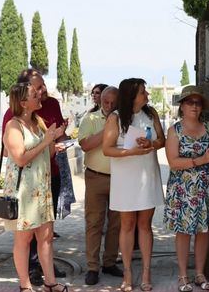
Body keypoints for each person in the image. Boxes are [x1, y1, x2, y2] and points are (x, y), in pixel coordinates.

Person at [2, 69, 68, 285]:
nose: (40, 95)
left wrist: (54, 139)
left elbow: (46, 155)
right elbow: (20, 158)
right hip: (24, 191)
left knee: (46, 237)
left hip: (42, 188)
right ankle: (25, 285)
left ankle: (50, 283)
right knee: (24, 238)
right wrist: (45, 140)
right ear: (23, 103)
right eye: (34, 94)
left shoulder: (38, 121)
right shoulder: (13, 125)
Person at [102, 78, 165, 292]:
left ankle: (146, 271)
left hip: (147, 173)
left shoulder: (151, 113)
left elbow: (162, 141)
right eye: (142, 92)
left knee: (145, 225)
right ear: (131, 96)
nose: (146, 94)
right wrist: (130, 151)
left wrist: (152, 143)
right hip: (125, 176)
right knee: (127, 224)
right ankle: (128, 272)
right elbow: (107, 149)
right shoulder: (116, 118)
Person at [164, 86, 209, 292]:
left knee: (204, 231)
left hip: (206, 187)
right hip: (182, 189)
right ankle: (183, 276)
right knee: (183, 232)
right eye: (189, 102)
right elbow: (173, 162)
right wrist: (201, 160)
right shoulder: (174, 130)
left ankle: (200, 273)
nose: (194, 106)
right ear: (181, 106)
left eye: (197, 103)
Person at [78, 86, 123, 285]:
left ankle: (110, 262)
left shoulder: (125, 120)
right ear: (100, 101)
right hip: (96, 177)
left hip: (120, 178)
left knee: (116, 224)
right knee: (94, 223)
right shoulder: (90, 119)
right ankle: (92, 267)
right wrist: (108, 130)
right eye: (106, 102)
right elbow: (85, 145)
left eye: (114, 103)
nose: (110, 106)